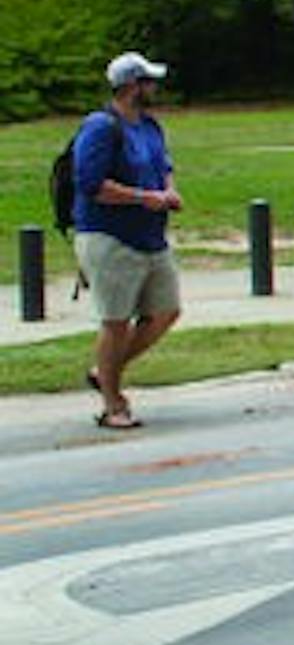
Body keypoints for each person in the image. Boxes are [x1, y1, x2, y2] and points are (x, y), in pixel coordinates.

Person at [73, 51, 183, 429]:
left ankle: (104, 369)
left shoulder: (149, 126)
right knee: (116, 321)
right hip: (110, 237)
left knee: (166, 311)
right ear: (132, 87)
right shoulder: (101, 127)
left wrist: (169, 191)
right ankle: (112, 403)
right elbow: (90, 184)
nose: (155, 88)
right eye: (149, 81)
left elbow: (164, 166)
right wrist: (142, 197)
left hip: (151, 236)